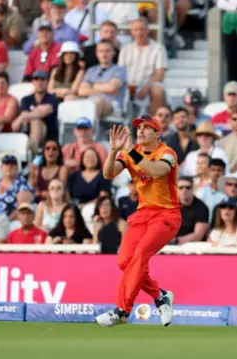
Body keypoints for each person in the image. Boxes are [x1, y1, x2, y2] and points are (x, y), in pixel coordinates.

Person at [95, 118, 181, 328]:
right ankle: (160, 295)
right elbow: (108, 173)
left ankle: (122, 310)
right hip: (143, 214)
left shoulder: (167, 152)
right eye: (138, 128)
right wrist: (114, 150)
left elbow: (156, 171)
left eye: (146, 128)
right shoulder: (128, 153)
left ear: (157, 133)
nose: (140, 131)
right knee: (124, 262)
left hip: (166, 214)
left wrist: (130, 151)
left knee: (141, 253)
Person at [118, 18, 167, 114]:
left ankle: (154, 125)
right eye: (136, 29)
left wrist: (147, 87)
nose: (139, 33)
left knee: (158, 91)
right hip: (128, 86)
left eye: (142, 29)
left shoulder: (158, 48)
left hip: (149, 85)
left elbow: (160, 74)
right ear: (132, 31)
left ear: (148, 30)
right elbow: (120, 72)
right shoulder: (125, 49)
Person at [78, 40, 126, 119]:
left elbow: (111, 88)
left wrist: (91, 85)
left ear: (113, 52)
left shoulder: (119, 70)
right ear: (96, 53)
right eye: (101, 51)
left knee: (98, 101)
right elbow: (81, 91)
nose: (104, 54)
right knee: (69, 99)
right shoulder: (91, 70)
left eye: (107, 51)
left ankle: (91, 130)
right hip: (90, 102)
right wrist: (105, 89)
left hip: (111, 105)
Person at [14, 70, 60, 150]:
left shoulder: (52, 98)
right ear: (32, 82)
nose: (39, 82)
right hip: (29, 133)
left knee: (36, 121)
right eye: (36, 79)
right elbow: (27, 113)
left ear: (47, 82)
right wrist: (26, 115)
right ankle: (31, 148)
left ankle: (32, 151)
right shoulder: (26, 99)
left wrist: (21, 117)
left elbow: (44, 112)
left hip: (49, 137)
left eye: (42, 80)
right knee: (34, 121)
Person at [172, 177, 209, 244]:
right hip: (171, 245)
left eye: (188, 187)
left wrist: (175, 241)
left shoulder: (201, 207)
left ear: (193, 189)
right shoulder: (170, 206)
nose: (184, 190)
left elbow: (198, 235)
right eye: (181, 187)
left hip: (193, 247)